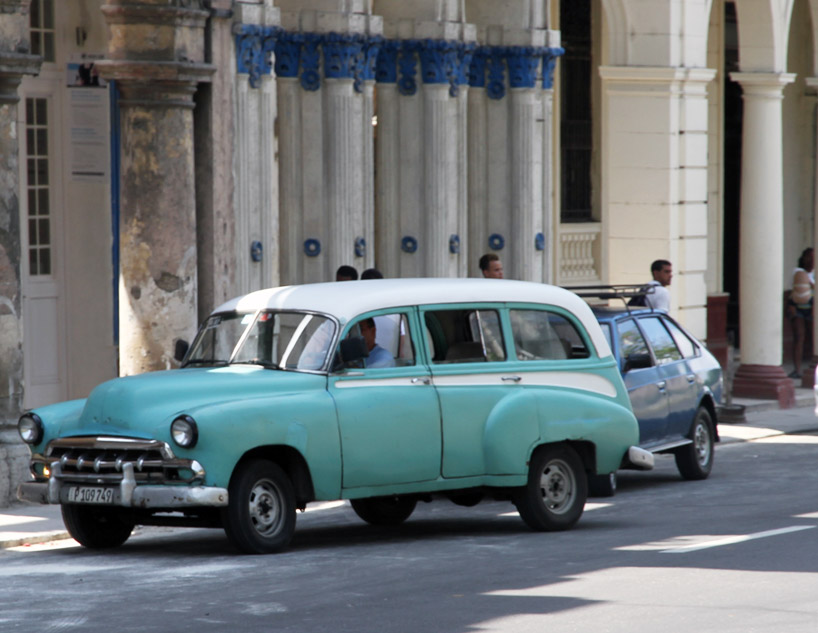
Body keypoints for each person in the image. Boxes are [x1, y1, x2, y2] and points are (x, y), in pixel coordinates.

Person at [788, 247, 814, 379]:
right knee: (799, 337)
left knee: (814, 338)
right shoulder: (798, 272)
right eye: (809, 257)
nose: (811, 260)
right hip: (798, 308)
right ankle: (797, 369)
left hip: (812, 308)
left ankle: (813, 369)